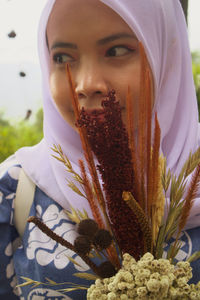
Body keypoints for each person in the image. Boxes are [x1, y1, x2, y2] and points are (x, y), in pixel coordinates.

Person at [0, 0, 200, 299]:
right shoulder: (15, 191)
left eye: (117, 50)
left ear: (166, 56)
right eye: (63, 56)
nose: (86, 84)